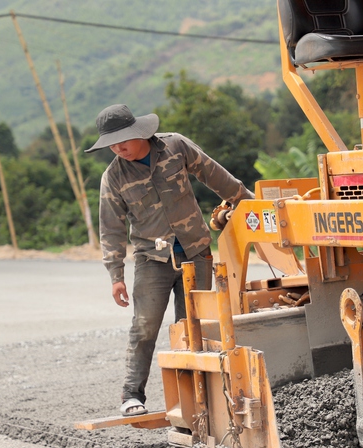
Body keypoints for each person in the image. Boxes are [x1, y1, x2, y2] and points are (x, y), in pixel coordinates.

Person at [85, 104, 254, 416]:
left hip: (195, 252)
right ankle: (132, 395)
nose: (119, 149)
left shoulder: (175, 146)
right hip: (152, 260)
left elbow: (215, 175)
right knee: (144, 326)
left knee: (194, 327)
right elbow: (111, 228)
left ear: (139, 132)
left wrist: (250, 204)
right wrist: (116, 275)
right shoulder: (113, 177)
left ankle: (198, 399)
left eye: (123, 141)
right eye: (112, 145)